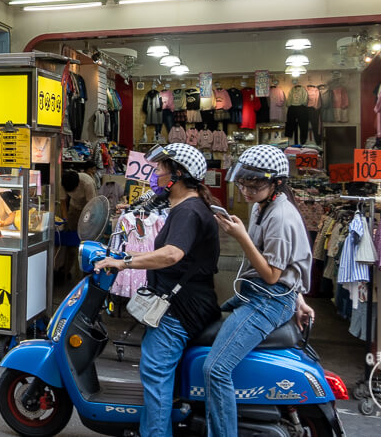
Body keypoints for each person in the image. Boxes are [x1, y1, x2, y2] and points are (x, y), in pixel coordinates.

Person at [94, 143, 220, 437]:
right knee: (160, 375)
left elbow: (172, 254)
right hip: (187, 302)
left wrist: (124, 261)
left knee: (155, 374)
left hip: (180, 310)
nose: (155, 173)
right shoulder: (185, 206)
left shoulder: (188, 210)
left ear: (176, 174)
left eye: (161, 169)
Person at [203, 145, 314, 437]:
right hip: (259, 294)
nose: (248, 190)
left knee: (215, 369)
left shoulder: (280, 217)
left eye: (256, 184)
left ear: (277, 183)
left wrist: (240, 237)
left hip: (268, 301)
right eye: (244, 182)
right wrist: (299, 298)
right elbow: (290, 265)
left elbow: (272, 274)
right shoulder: (261, 206)